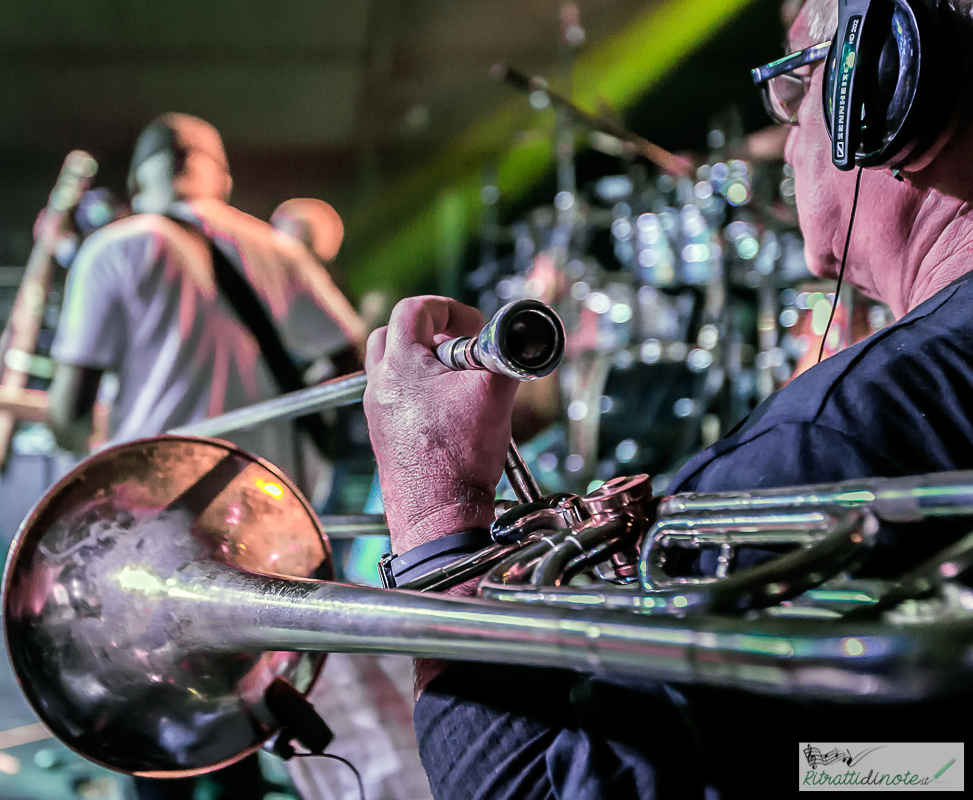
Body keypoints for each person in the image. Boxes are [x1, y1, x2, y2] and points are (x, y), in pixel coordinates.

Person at [362, 1, 973, 797]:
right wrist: (857, 771)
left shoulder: (833, 451)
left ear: (892, 86)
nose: (788, 138)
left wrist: (436, 517)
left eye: (794, 91)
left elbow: (526, 791)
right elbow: (926, 764)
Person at [45, 113, 365, 800]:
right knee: (240, 704)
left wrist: (97, 435)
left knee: (157, 721)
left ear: (142, 176)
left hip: (157, 527)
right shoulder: (277, 249)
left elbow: (68, 413)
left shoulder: (118, 245)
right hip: (267, 520)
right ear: (217, 172)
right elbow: (352, 361)